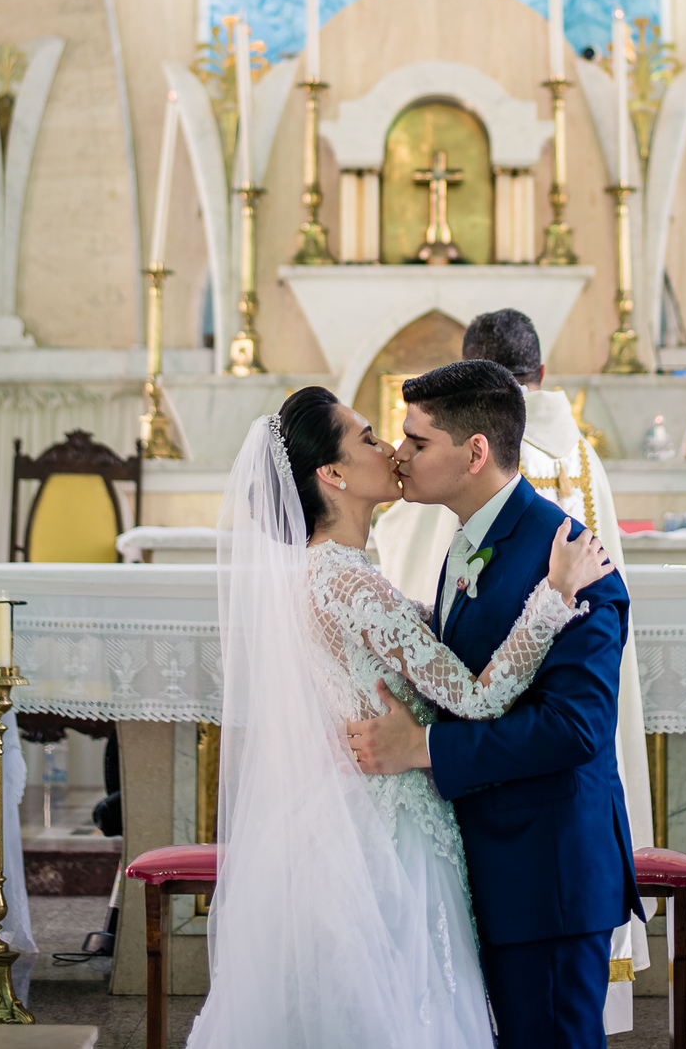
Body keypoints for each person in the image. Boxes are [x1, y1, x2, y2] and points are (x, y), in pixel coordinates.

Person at [187, 379, 612, 1049]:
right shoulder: (347, 580)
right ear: (331, 473)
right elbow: (472, 695)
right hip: (387, 834)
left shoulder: (335, 571)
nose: (393, 450)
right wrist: (553, 597)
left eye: (410, 439)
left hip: (371, 820)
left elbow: (432, 654)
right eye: (372, 438)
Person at [350, 361, 643, 1049]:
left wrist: (420, 749)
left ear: (474, 451)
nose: (400, 455)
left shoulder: (571, 559)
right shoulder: (467, 540)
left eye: (418, 441)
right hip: (497, 859)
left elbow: (575, 728)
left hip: (548, 871)